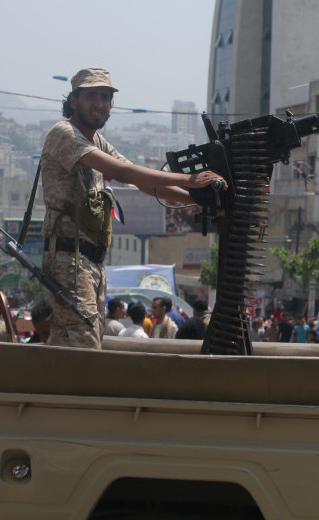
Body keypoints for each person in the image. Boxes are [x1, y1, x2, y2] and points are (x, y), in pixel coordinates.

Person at [40, 67, 226, 349]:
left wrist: (198, 198)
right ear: (74, 100)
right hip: (69, 258)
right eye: (92, 96)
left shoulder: (96, 141)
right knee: (84, 345)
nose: (100, 104)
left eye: (105, 97)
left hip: (90, 261)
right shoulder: (64, 133)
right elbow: (124, 173)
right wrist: (190, 180)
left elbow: (141, 180)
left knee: (73, 342)